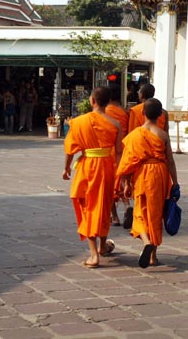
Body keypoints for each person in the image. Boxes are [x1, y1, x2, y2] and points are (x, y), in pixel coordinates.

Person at [62, 86, 123, 269]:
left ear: (92, 101)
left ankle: (94, 254)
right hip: (107, 167)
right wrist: (121, 174)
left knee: (88, 208)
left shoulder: (79, 122)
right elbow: (119, 153)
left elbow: (70, 149)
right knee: (104, 208)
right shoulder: (115, 124)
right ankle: (103, 245)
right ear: (108, 102)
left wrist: (66, 169)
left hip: (88, 167)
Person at [117, 98, 179, 268]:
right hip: (160, 174)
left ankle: (146, 241)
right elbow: (171, 161)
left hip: (142, 173)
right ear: (160, 115)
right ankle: (153, 257)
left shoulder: (135, 135)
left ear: (143, 113)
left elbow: (129, 161)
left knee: (140, 211)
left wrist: (127, 182)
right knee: (156, 213)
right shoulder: (163, 135)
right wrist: (175, 182)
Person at [105, 83, 129, 227]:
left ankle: (114, 217)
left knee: (110, 185)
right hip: (124, 149)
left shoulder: (105, 112)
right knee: (123, 182)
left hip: (109, 151)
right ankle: (127, 206)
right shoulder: (124, 112)